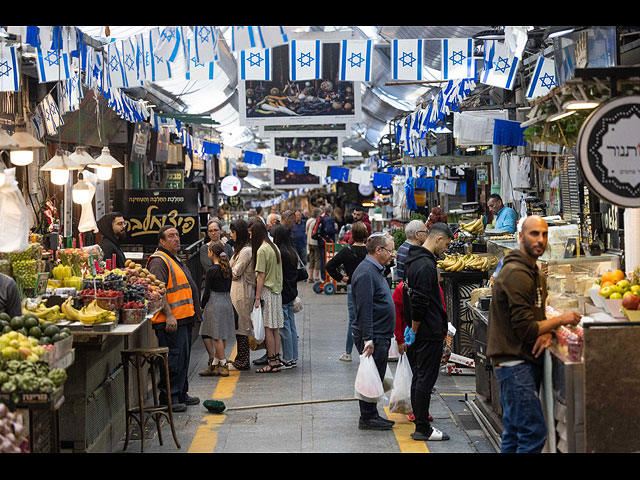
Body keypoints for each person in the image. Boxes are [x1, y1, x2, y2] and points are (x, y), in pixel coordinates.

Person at [488, 215, 581, 453]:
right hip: (514, 364)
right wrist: (562, 319)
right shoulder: (517, 274)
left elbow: (534, 319)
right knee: (533, 432)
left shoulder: (533, 272)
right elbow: (526, 328)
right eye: (534, 234)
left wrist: (547, 332)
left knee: (515, 432)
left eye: (544, 234)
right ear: (521, 236)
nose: (540, 240)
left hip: (520, 360)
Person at [403, 222, 453, 441]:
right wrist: (413, 328)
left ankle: (420, 422)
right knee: (426, 379)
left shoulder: (412, 259)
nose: (447, 249)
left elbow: (407, 294)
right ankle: (423, 428)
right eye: (447, 244)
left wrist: (410, 326)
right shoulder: (425, 266)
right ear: (438, 239)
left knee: (419, 377)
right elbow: (419, 301)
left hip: (420, 329)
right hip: (427, 330)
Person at [146, 226, 201, 412]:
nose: (176, 239)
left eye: (177, 235)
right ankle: (170, 397)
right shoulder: (159, 261)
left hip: (183, 318)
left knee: (183, 359)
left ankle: (181, 392)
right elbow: (157, 291)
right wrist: (168, 314)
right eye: (171, 236)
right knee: (173, 360)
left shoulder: (174, 258)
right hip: (170, 321)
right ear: (161, 241)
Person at [350, 232, 396, 430]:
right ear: (378, 250)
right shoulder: (366, 273)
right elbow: (364, 309)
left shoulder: (375, 270)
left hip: (380, 333)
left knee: (376, 375)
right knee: (372, 375)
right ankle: (367, 417)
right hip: (373, 335)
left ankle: (372, 413)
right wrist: (368, 338)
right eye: (390, 250)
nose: (392, 254)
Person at [325, 221, 368, 362]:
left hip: (352, 287)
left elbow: (330, 266)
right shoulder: (370, 251)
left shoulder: (346, 251)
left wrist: (342, 278)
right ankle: (367, 351)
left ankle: (348, 353)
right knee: (368, 318)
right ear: (366, 235)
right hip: (368, 287)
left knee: (353, 320)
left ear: (352, 235)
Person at [250, 219, 284, 373]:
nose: (250, 237)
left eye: (251, 234)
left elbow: (260, 276)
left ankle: (271, 362)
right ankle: (276, 360)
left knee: (268, 328)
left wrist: (257, 298)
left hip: (267, 292)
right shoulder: (274, 247)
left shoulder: (262, 250)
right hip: (277, 292)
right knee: (275, 328)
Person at [198, 241, 235, 377]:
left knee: (216, 337)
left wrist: (202, 306)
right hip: (226, 301)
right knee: (222, 335)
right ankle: (214, 365)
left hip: (214, 303)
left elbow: (206, 291)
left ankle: (224, 364)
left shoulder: (211, 271)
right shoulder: (227, 269)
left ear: (211, 253)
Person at [272, 225, 300, 369]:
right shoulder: (291, 251)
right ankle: (294, 356)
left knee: (284, 327)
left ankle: (288, 358)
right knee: (292, 325)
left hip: (283, 292)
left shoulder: (280, 253)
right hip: (292, 292)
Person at [228, 219, 255, 371]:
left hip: (242, 291)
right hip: (237, 290)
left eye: (233, 232)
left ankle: (243, 361)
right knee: (240, 325)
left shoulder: (245, 251)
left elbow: (235, 272)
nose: (232, 235)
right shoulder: (240, 249)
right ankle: (240, 358)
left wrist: (224, 268)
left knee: (242, 326)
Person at [316, 204, 337, 281]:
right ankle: (326, 277)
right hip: (327, 242)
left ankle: (323, 277)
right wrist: (335, 229)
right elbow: (329, 230)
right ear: (331, 210)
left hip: (321, 241)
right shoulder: (328, 219)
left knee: (322, 259)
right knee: (326, 260)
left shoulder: (323, 218)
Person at [306, 208, 322, 283]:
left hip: (309, 241)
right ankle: (316, 277)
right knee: (317, 259)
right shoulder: (316, 221)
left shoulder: (309, 220)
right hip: (315, 242)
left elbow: (306, 231)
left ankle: (310, 277)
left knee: (311, 259)